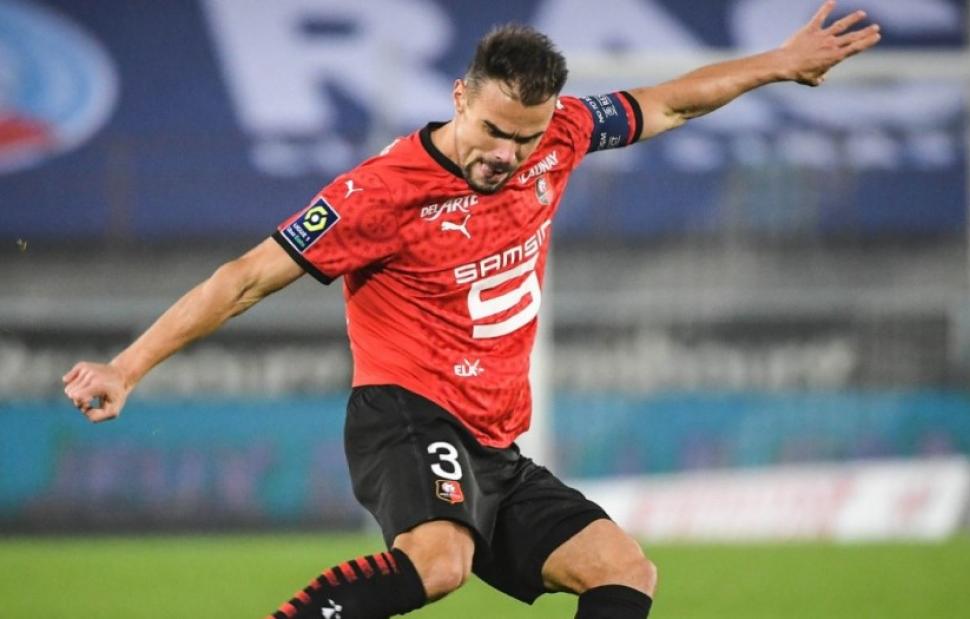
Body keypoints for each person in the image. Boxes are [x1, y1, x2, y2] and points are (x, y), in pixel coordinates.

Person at [63, 2, 880, 617]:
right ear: (460, 96)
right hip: (405, 412)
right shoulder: (380, 193)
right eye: (492, 130)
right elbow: (244, 279)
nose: (506, 153)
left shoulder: (561, 133)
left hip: (494, 442)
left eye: (523, 138)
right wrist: (126, 368)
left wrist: (779, 64)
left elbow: (670, 104)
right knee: (440, 562)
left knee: (624, 571)